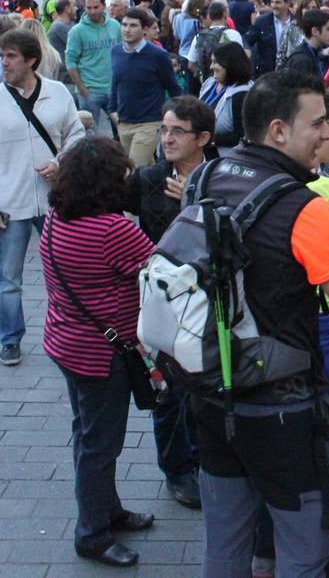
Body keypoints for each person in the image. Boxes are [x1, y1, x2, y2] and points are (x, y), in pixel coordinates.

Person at [189, 69, 329, 576]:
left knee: (226, 547)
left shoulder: (203, 178)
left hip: (213, 393)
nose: (327, 133)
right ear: (278, 130)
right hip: (286, 408)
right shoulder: (305, 207)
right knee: (306, 553)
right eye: (317, 123)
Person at [39, 136, 157, 567]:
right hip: (101, 353)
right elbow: (160, 268)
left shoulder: (57, 217)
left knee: (87, 432)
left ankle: (107, 510)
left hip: (65, 341)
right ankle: (92, 534)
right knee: (100, 444)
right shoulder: (113, 229)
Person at [0, 29, 86, 367]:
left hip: (54, 201)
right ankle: (10, 339)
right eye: (2, 56)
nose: (3, 63)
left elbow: (76, 135)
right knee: (9, 277)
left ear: (31, 60)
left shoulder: (58, 92)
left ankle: (68, 335)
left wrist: (58, 163)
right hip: (10, 202)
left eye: (11, 57)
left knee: (65, 273)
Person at [122, 96, 215, 510]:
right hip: (163, 302)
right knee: (169, 391)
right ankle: (177, 469)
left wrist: (192, 204)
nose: (167, 138)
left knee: (208, 383)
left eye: (177, 130)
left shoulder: (220, 177)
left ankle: (208, 458)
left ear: (203, 138)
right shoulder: (148, 178)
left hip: (210, 295)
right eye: (164, 129)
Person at [109, 7, 182, 167]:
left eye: (133, 26)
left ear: (145, 29)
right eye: (124, 25)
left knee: (133, 167)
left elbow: (172, 87)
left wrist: (178, 115)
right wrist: (112, 109)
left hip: (149, 122)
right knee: (145, 169)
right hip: (124, 121)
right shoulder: (116, 52)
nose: (127, 30)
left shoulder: (158, 55)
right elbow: (116, 81)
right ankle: (157, 190)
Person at [66, 0, 123, 135]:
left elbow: (123, 53)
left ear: (104, 6)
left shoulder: (115, 26)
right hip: (90, 90)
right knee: (90, 134)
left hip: (113, 89)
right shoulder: (77, 31)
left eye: (95, 7)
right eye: (88, 8)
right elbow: (70, 62)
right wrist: (82, 88)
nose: (92, 12)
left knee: (122, 130)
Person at [199, 41, 253, 153]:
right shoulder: (210, 83)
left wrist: (208, 138)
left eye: (215, 62)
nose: (211, 66)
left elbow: (243, 136)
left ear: (229, 64)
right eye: (211, 61)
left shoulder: (243, 94)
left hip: (225, 159)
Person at [247, 0, 295, 76]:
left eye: (277, 2)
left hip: (291, 73)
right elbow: (249, 41)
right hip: (267, 74)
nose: (273, 5)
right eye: (272, 2)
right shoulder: (261, 22)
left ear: (288, 3)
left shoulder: (297, 22)